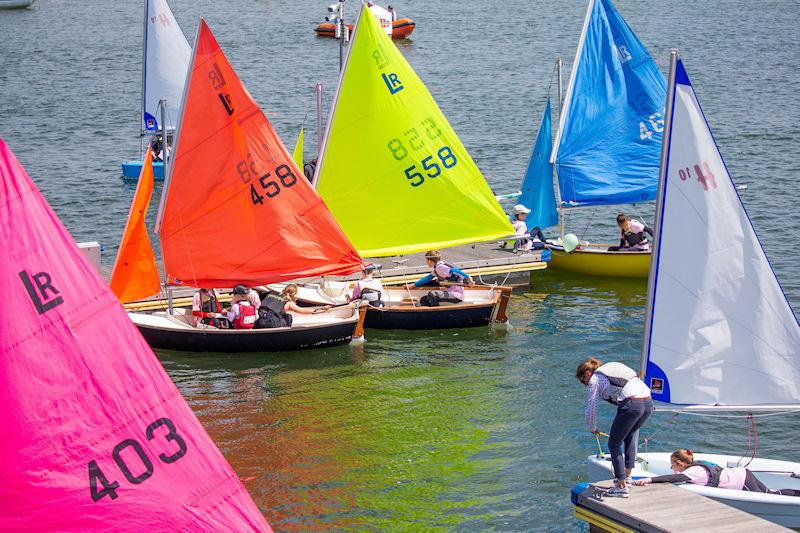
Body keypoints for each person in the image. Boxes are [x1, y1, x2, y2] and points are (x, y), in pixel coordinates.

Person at [577, 356, 653, 498]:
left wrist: (592, 427)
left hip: (632, 404)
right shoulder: (612, 368)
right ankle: (628, 477)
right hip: (648, 402)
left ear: (587, 374)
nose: (585, 385)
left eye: (583, 382)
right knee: (629, 436)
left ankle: (621, 486)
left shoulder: (595, 379)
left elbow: (591, 407)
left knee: (613, 443)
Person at [633, 449, 800, 496]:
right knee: (771, 492)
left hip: (742, 481)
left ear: (679, 464)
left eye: (672, 465)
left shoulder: (694, 472)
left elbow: (672, 478)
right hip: (743, 474)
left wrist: (649, 480)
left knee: (771, 494)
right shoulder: (694, 466)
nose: (672, 468)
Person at [404, 250, 475, 307]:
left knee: (432, 294)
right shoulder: (437, 269)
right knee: (423, 300)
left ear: (430, 261)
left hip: (456, 295)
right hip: (450, 292)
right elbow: (427, 278)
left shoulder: (440, 267)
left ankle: (435, 314)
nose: (426, 263)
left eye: (426, 261)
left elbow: (455, 270)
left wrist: (468, 277)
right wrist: (413, 285)